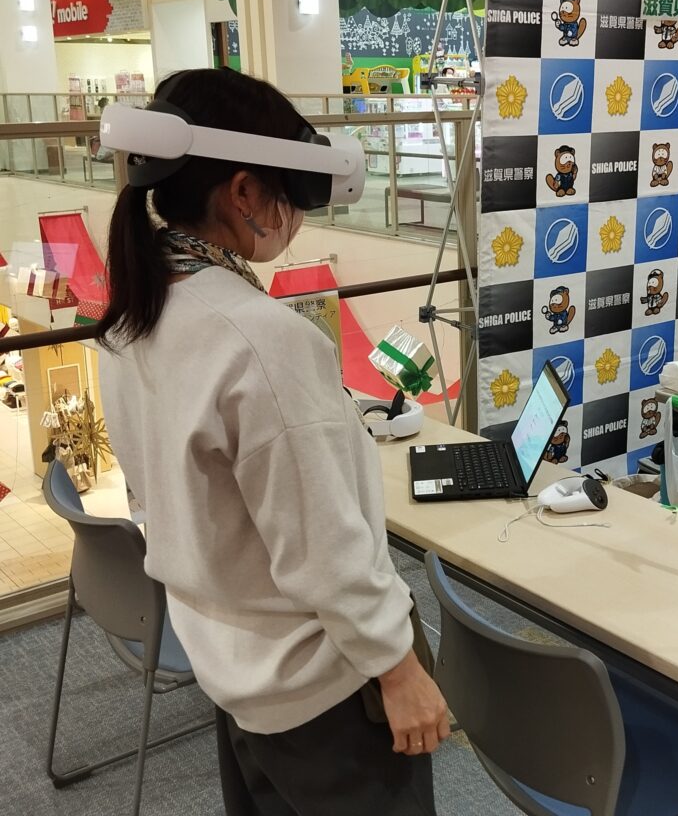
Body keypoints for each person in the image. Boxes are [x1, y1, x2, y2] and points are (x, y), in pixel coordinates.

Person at [95, 68, 449, 815]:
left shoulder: (134, 317)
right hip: (325, 687)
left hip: (235, 668)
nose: (296, 217)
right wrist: (398, 669)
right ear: (245, 193)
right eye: (289, 192)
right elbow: (325, 550)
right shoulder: (260, 339)